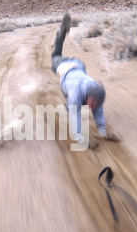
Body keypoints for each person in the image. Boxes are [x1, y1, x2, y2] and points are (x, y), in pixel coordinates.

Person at [51, 13, 121, 148]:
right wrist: (80, 138)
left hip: (79, 65)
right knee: (55, 55)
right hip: (63, 65)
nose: (93, 106)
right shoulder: (77, 93)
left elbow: (98, 112)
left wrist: (102, 131)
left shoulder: (96, 94)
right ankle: (61, 32)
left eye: (96, 103)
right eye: (92, 102)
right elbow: (75, 116)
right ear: (89, 96)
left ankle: (69, 104)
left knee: (77, 102)